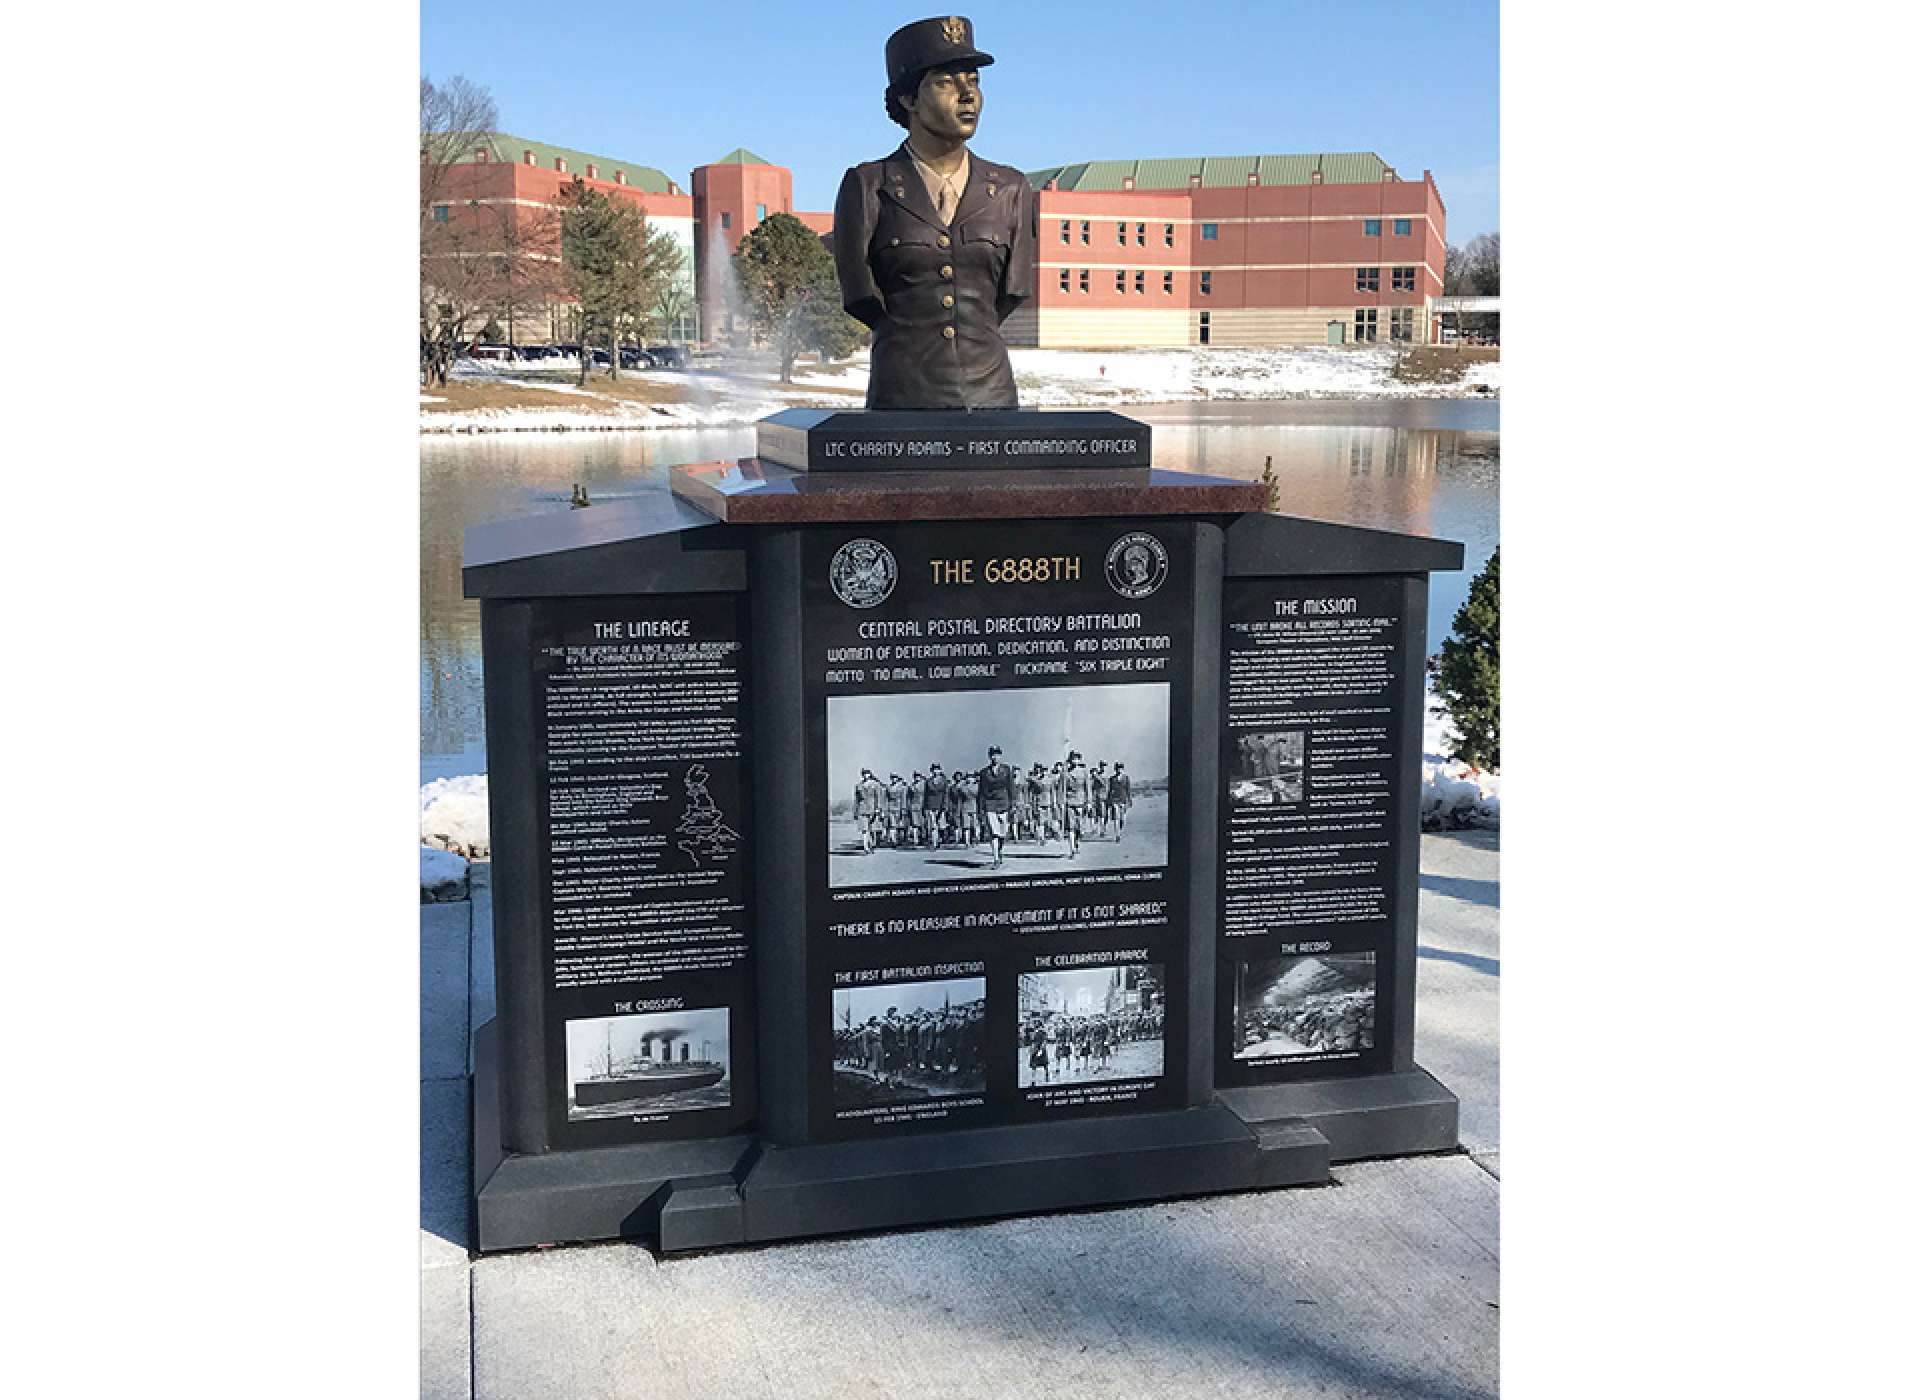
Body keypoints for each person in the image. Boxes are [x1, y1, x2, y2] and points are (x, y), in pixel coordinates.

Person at [833, 16, 1035, 411]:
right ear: (908, 99)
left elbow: (1011, 292)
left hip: (990, 396)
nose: (967, 95)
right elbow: (861, 296)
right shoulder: (868, 186)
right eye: (946, 82)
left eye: (974, 81)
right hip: (902, 394)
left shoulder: (1011, 189)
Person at [975, 744, 1017, 869]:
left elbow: (1011, 788)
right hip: (990, 804)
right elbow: (981, 791)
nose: (995, 757)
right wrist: (980, 808)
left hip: (1003, 803)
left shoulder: (1006, 770)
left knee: (1002, 833)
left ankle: (999, 850)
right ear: (989, 757)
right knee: (993, 833)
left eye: (997, 754)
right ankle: (996, 859)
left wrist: (1013, 804)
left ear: (1000, 756)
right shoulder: (984, 772)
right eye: (993, 755)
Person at [1062, 751, 1090, 858]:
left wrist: (1089, 802)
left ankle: (1076, 842)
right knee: (1071, 827)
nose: (1075, 761)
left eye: (1077, 759)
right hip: (1069, 802)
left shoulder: (1084, 772)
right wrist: (1062, 802)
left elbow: (1088, 788)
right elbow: (1062, 789)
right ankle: (1072, 849)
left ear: (1080, 760)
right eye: (1073, 759)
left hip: (1081, 802)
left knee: (1080, 828)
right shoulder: (1066, 773)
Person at [854, 767, 885, 853]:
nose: (865, 775)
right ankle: (865, 847)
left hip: (873, 809)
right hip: (862, 809)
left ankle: (871, 844)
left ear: (870, 774)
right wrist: (855, 811)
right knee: (864, 829)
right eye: (863, 774)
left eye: (866, 773)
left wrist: (878, 809)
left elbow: (878, 797)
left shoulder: (875, 785)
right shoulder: (858, 786)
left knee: (872, 829)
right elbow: (856, 800)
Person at [1109, 762, 1132, 835]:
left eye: (1121, 768)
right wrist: (1109, 800)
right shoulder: (1112, 779)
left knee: (1122, 817)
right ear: (1115, 769)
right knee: (1116, 816)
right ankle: (1117, 834)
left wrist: (1129, 800)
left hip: (1123, 799)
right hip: (1115, 799)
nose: (1119, 770)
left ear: (1123, 769)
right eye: (1118, 768)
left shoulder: (1126, 778)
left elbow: (1128, 789)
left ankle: (1121, 824)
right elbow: (1110, 790)